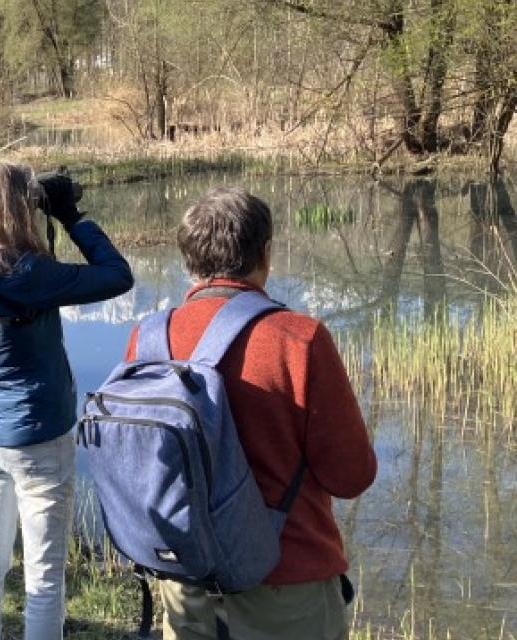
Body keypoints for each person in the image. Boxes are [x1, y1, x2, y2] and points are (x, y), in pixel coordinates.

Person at [124, 187, 376, 640]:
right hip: (287, 584)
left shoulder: (147, 340)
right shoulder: (299, 339)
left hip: (183, 580)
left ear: (189, 261)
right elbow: (351, 476)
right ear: (266, 254)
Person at [0, 161, 134, 640]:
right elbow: (116, 276)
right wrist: (71, 215)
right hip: (38, 436)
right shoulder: (25, 271)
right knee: (44, 577)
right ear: (22, 206)